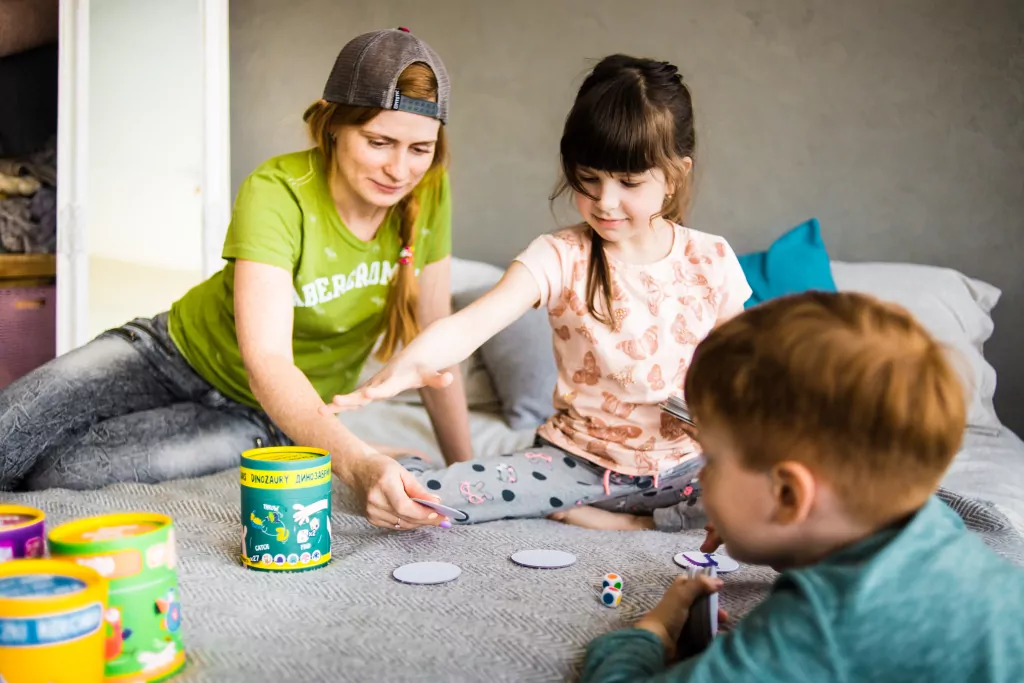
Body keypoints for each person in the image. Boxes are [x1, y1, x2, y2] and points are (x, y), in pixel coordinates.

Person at [0, 28, 474, 532]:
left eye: (420, 149)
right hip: (169, 352)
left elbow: (435, 339)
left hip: (262, 416)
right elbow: (267, 359)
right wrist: (357, 461)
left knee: (61, 471)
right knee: (12, 426)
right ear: (335, 124)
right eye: (379, 142)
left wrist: (464, 470)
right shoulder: (277, 191)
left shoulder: (430, 194)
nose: (400, 170)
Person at [322, 53, 752, 528]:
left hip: (686, 469)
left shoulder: (712, 259)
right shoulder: (559, 255)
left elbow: (741, 366)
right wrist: (404, 368)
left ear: (674, 176)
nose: (605, 202)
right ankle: (408, 460)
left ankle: (639, 524)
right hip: (575, 466)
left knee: (780, 481)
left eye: (629, 183)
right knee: (425, 501)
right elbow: (471, 324)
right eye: (588, 180)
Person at [581, 291, 1024, 683]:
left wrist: (650, 632)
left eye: (711, 461)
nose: (699, 478)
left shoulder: (812, 628)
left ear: (789, 495)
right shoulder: (934, 527)